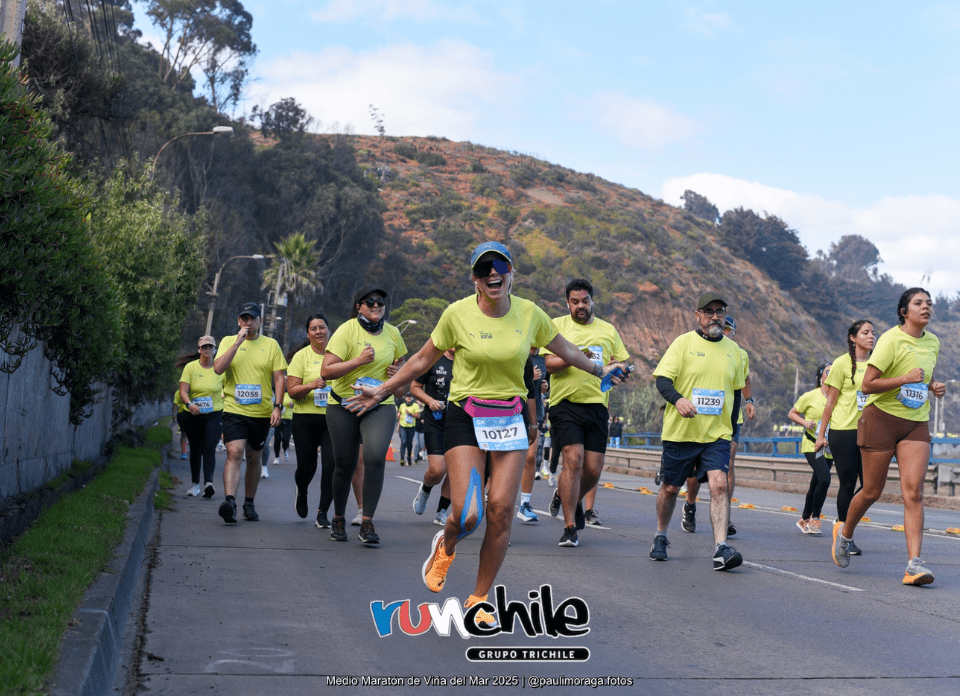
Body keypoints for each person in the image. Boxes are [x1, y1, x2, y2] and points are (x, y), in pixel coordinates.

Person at [346, 241, 621, 627]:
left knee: (501, 512)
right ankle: (446, 545)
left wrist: (600, 370)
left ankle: (479, 598)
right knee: (468, 513)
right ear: (475, 279)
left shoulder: (530, 314)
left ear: (511, 274)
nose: (493, 273)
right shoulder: (457, 314)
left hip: (509, 417)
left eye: (501, 266)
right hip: (466, 416)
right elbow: (422, 359)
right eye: (484, 269)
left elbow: (568, 350)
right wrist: (382, 390)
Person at [832, 288, 946, 585]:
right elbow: (868, 385)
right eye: (918, 303)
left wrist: (933, 386)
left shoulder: (933, 342)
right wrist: (905, 379)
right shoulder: (891, 340)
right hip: (881, 419)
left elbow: (923, 376)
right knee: (872, 490)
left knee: (914, 491)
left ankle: (914, 565)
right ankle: (845, 533)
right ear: (904, 312)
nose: (926, 307)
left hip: (915, 423)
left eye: (929, 303)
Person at [650, 292, 746, 570]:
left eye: (720, 311)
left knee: (719, 485)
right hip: (681, 433)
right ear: (698, 316)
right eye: (709, 311)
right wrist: (678, 400)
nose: (715, 316)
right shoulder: (683, 343)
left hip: (716, 435)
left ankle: (721, 548)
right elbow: (663, 380)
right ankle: (660, 535)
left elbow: (735, 393)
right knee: (670, 488)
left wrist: (730, 429)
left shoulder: (734, 351)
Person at [545, 278, 630, 547]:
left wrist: (621, 371)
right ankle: (570, 526)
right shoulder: (556, 327)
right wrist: (575, 356)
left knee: (593, 470)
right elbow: (548, 364)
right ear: (567, 303)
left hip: (597, 405)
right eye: (575, 302)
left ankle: (566, 495)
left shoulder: (607, 330)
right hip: (565, 404)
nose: (580, 306)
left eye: (585, 301)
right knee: (573, 459)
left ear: (592, 301)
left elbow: (621, 362)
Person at [321, 285, 407, 545]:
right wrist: (358, 361)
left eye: (380, 301)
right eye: (370, 302)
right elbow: (326, 372)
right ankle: (338, 517)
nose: (376, 305)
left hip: (379, 404)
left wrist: (397, 378)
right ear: (358, 306)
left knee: (375, 458)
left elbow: (401, 387)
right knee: (345, 464)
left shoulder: (393, 333)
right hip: (344, 405)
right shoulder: (347, 330)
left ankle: (367, 521)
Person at [213, 303, 287, 523]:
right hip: (234, 410)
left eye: (252, 318)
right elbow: (218, 369)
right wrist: (238, 342)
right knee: (234, 453)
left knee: (254, 458)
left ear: (260, 322)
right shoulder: (228, 341)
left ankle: (249, 503)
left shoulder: (271, 345)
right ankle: (230, 502)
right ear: (239, 322)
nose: (248, 322)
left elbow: (279, 377)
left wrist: (278, 406)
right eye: (244, 318)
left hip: (261, 412)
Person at [682, 315, 756, 536]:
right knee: (696, 467)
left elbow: (745, 378)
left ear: (734, 332)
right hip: (701, 417)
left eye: (729, 330)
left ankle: (726, 515)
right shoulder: (700, 347)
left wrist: (750, 400)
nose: (725, 332)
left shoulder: (739, 354)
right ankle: (690, 504)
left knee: (727, 466)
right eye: (723, 329)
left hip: (729, 419)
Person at [815, 319, 875, 555]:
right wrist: (821, 434)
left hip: (871, 430)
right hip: (844, 430)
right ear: (853, 337)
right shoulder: (841, 364)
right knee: (848, 483)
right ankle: (844, 534)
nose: (871, 336)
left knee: (871, 486)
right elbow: (830, 402)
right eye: (865, 332)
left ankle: (844, 526)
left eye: (873, 333)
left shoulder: (878, 364)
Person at [286, 313, 336, 529]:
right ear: (308, 333)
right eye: (313, 328)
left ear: (329, 330)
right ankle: (302, 490)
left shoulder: (339, 355)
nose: (318, 332)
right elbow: (292, 391)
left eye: (322, 327)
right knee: (307, 467)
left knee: (331, 465)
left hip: (333, 418)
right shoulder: (301, 357)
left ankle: (322, 512)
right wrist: (310, 386)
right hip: (305, 419)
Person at [410, 349, 455, 525]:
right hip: (435, 421)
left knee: (455, 469)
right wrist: (430, 401)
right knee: (437, 470)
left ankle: (442, 511)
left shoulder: (468, 359)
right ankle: (425, 489)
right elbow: (414, 387)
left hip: (460, 422)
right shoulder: (433, 360)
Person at [788, 363, 833, 535]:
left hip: (829, 448)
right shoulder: (810, 396)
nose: (831, 374)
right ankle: (815, 519)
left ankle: (804, 519)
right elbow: (792, 413)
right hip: (812, 444)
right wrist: (805, 423)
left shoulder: (838, 397)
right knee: (825, 479)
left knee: (816, 483)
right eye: (828, 372)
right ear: (821, 377)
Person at [177, 335, 224, 498]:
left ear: (215, 350)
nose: (207, 349)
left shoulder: (220, 368)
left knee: (209, 447)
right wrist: (190, 404)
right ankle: (195, 484)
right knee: (195, 448)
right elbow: (183, 390)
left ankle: (208, 483)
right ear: (199, 350)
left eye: (210, 346)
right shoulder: (191, 367)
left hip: (214, 414)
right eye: (204, 347)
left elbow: (228, 388)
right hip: (193, 414)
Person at [517, 348, 547, 524]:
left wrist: (544, 386)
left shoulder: (543, 359)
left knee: (530, 457)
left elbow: (543, 386)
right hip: (511, 410)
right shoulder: (517, 350)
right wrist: (528, 378)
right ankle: (491, 495)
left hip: (535, 413)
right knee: (499, 458)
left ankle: (525, 504)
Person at [268, 392, 294, 472]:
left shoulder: (290, 394)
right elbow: (271, 403)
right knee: (277, 439)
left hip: (288, 419)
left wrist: (292, 405)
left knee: (286, 439)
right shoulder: (277, 393)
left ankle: (285, 449)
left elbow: (297, 403)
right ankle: (277, 457)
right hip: (277, 418)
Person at [397, 393, 420, 466]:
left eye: (410, 397)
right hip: (403, 426)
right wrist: (398, 414)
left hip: (411, 427)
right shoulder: (402, 405)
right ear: (405, 398)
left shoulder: (415, 405)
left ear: (412, 398)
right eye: (407, 397)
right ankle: (402, 459)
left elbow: (418, 416)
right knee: (403, 442)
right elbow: (399, 412)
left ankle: (409, 458)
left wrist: (410, 414)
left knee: (409, 443)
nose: (409, 398)